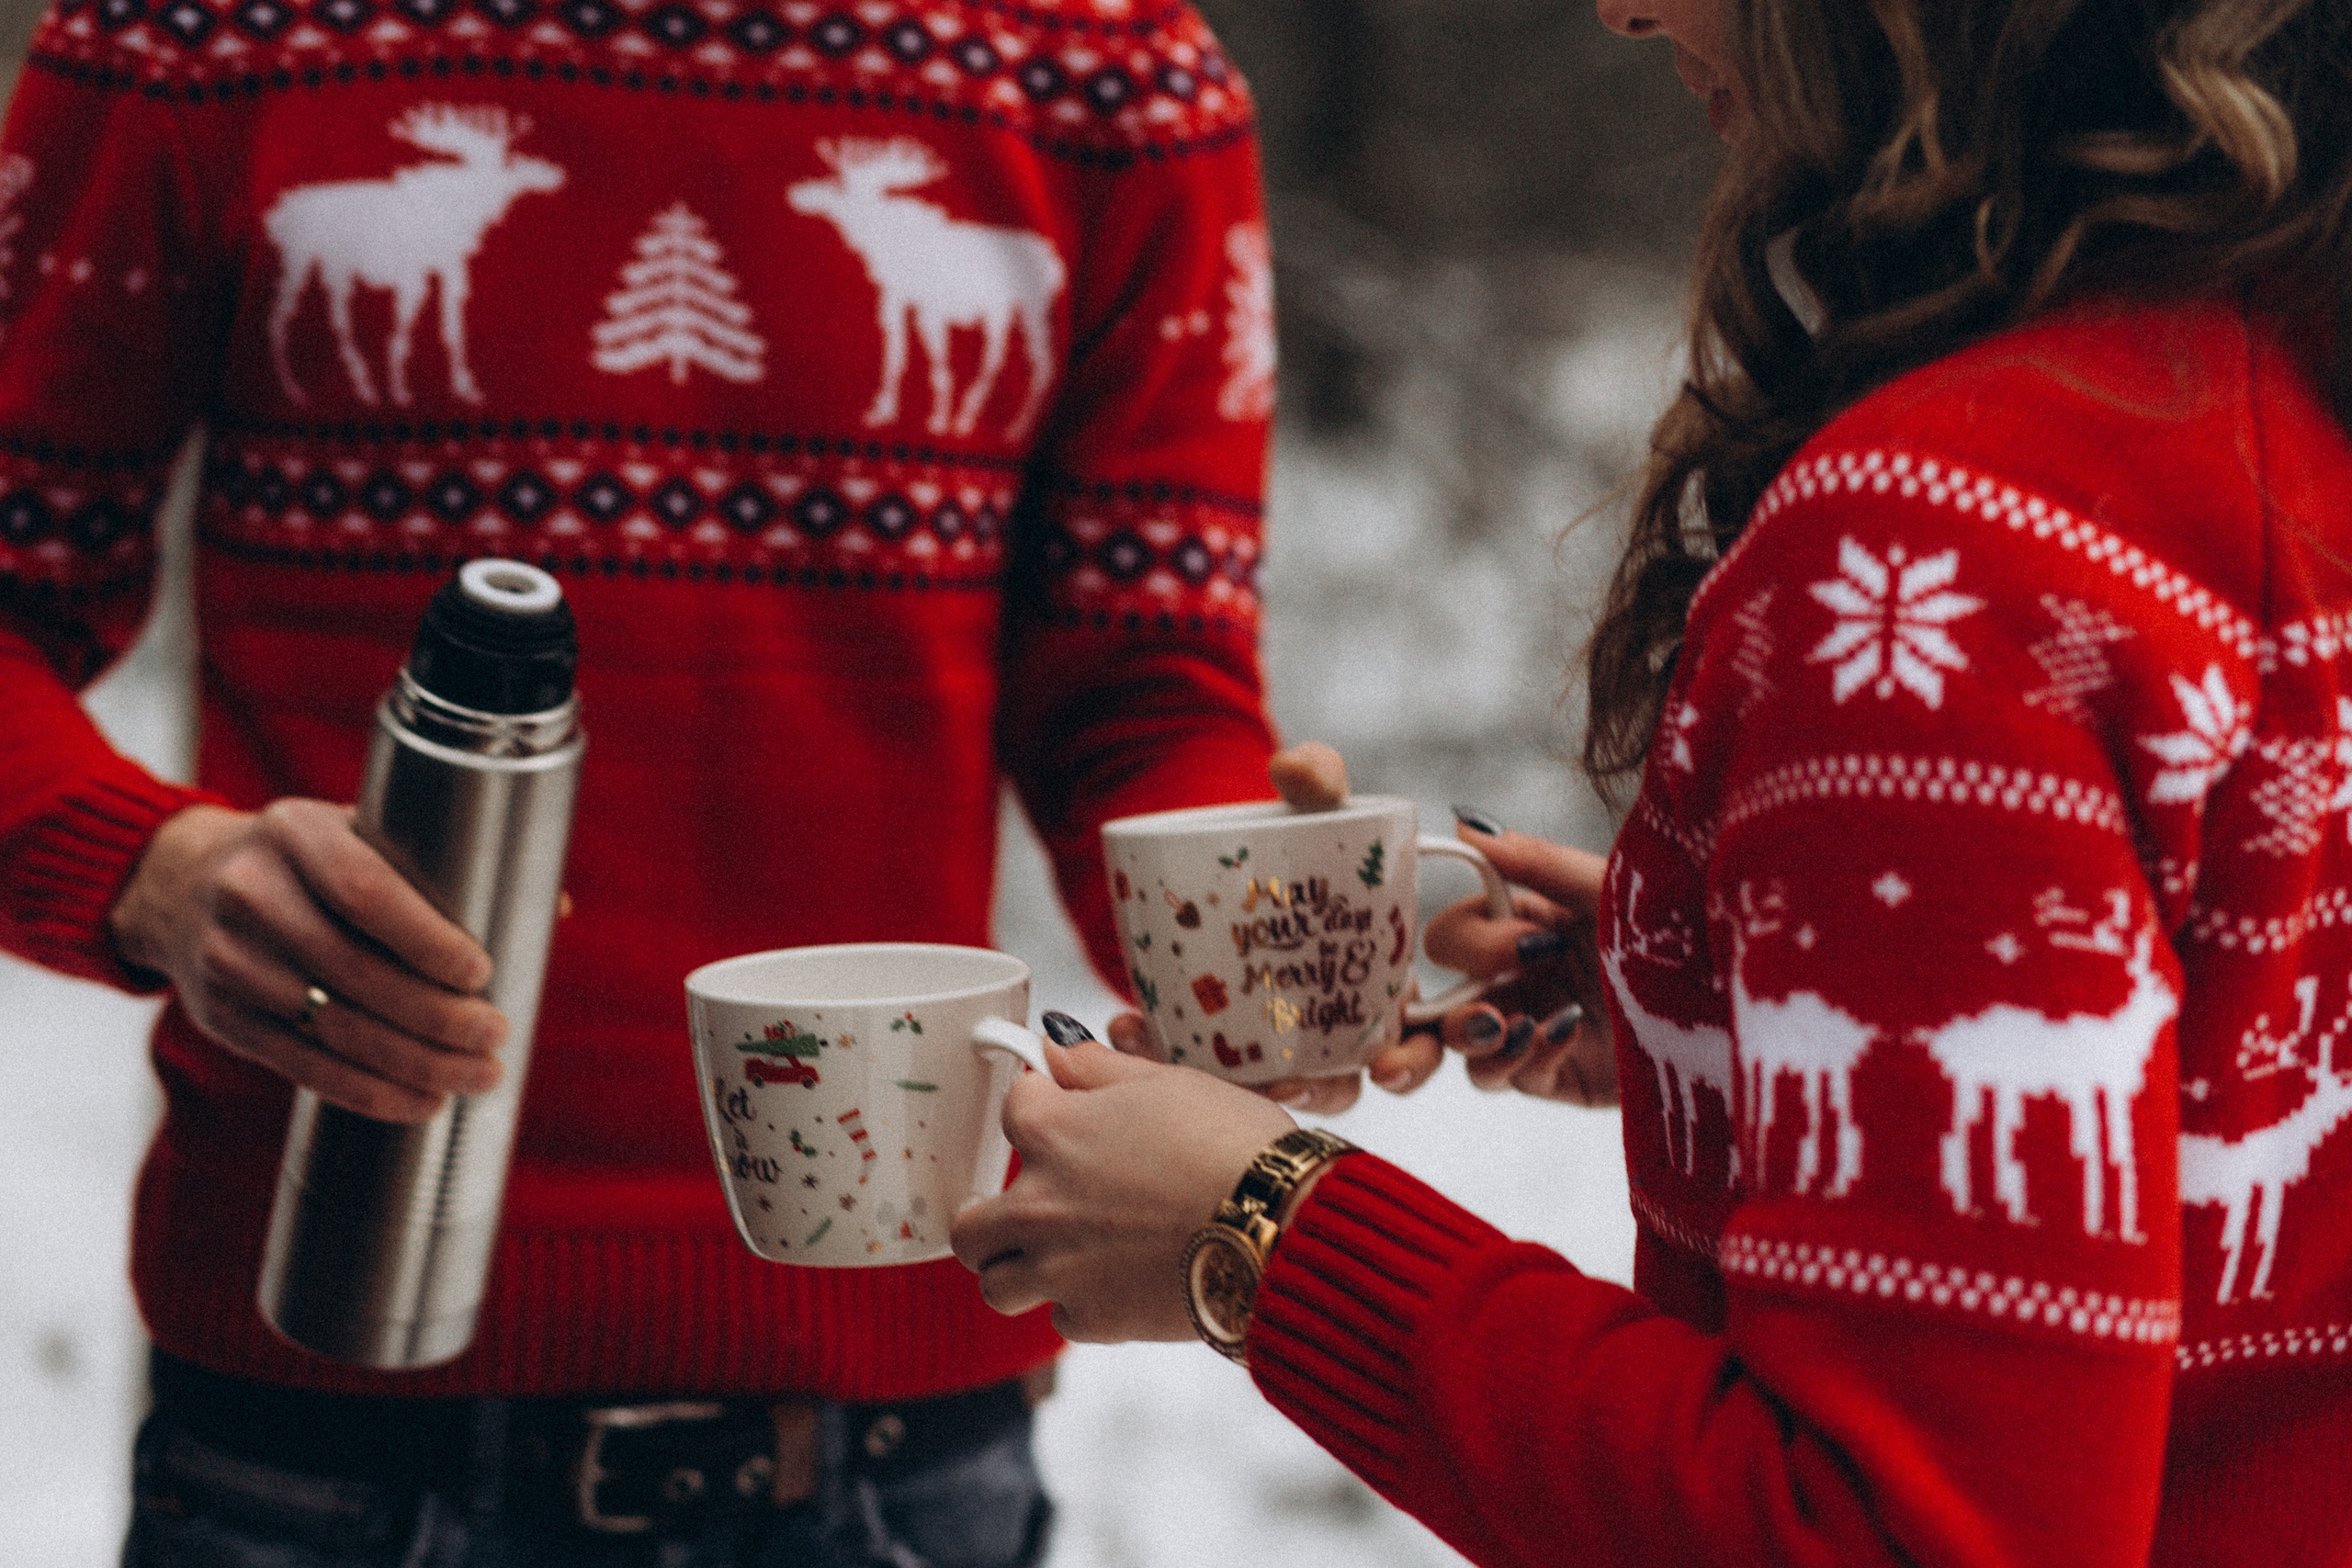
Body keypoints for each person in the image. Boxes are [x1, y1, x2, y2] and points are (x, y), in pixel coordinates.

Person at [948, 1, 2352, 1563]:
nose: (1619, 7)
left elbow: (1890, 1537)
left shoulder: (1937, 564)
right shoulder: (2273, 409)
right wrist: (1769, 1021)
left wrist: (1261, 1229)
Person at [0, 0, 1288, 1559]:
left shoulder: (1106, 71)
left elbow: (1144, 691)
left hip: (889, 1418)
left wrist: (1266, 932)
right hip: (319, 1410)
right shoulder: (195, 37)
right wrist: (154, 875)